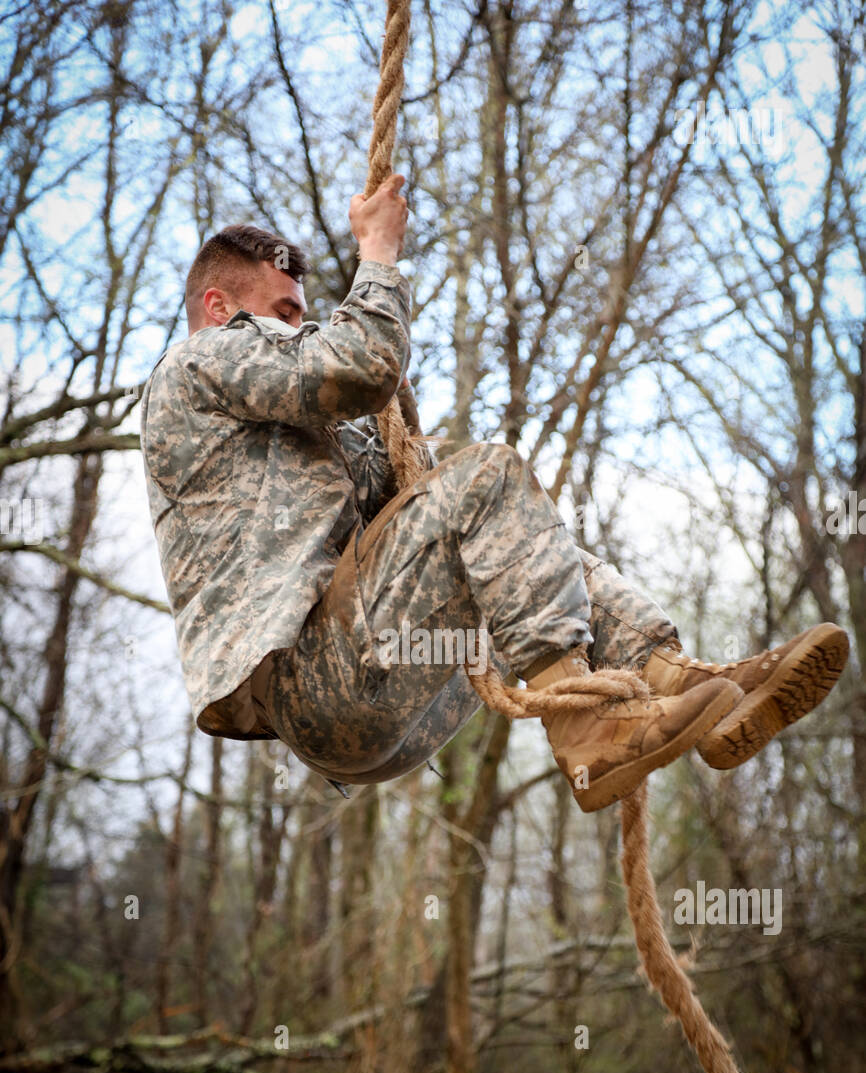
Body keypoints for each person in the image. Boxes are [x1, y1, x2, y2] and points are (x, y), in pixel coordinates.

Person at [140, 174, 848, 810]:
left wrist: (390, 419)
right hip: (316, 681)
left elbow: (407, 489)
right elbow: (360, 363)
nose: (303, 327)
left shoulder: (287, 433)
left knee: (527, 539)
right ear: (218, 305)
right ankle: (583, 723)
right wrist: (379, 253)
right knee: (489, 475)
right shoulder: (196, 360)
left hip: (384, 710)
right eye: (287, 312)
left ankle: (674, 676)